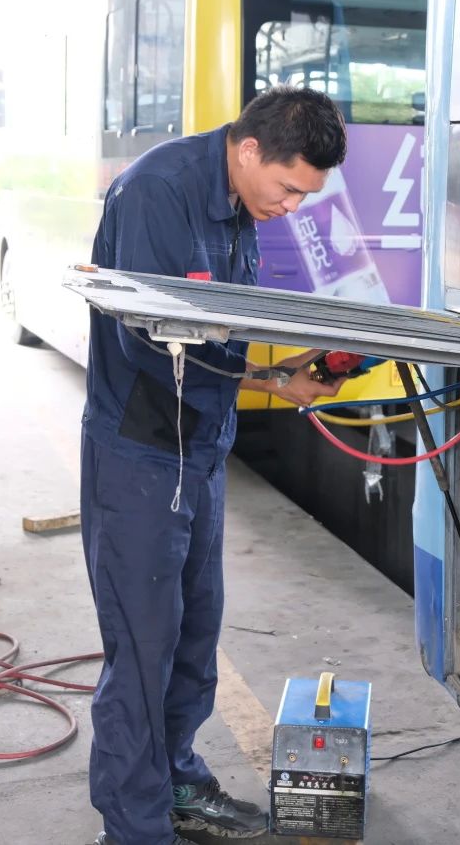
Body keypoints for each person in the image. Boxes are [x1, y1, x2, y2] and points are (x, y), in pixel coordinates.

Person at [81, 86, 349, 845]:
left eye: (305, 197)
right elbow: (148, 339)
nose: (290, 208)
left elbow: (223, 328)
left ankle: (176, 782)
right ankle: (135, 828)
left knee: (195, 636)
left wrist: (280, 368)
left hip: (200, 447)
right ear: (248, 148)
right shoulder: (157, 192)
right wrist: (267, 379)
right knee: (142, 651)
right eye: (288, 188)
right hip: (141, 451)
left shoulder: (241, 201)